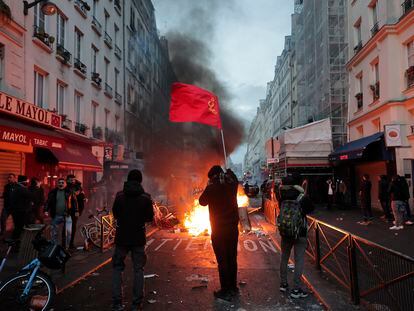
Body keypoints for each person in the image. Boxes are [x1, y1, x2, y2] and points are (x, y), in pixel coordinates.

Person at [111, 169, 154, 311]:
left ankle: (117, 303)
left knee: (117, 269)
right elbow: (149, 218)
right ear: (140, 181)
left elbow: (115, 214)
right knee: (138, 270)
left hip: (122, 238)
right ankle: (136, 304)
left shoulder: (119, 196)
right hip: (138, 238)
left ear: (128, 180)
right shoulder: (146, 198)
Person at [199, 166, 239, 302]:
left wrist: (209, 185)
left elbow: (202, 202)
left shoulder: (211, 188)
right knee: (232, 258)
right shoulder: (231, 186)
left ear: (212, 177)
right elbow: (235, 179)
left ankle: (226, 290)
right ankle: (233, 287)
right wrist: (229, 172)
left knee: (222, 261)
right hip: (233, 229)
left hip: (218, 231)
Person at [276, 173, 314, 299]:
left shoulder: (281, 195)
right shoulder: (301, 196)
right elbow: (311, 209)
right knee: (299, 260)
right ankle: (296, 289)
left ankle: (283, 284)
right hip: (300, 232)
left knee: (284, 257)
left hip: (285, 231)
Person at [45, 178, 78, 248]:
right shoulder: (53, 192)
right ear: (57, 184)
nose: (61, 184)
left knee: (68, 232)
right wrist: (46, 210)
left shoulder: (70, 192)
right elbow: (48, 201)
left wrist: (76, 211)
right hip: (56, 215)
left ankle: (67, 246)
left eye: (62, 183)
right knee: (54, 232)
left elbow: (74, 202)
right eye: (59, 182)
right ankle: (54, 246)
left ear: (65, 184)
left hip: (67, 215)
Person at [10, 175, 32, 240]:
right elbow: (30, 196)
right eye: (27, 181)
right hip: (21, 212)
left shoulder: (15, 188)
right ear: (24, 182)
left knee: (17, 227)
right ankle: (16, 242)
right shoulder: (22, 189)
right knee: (19, 227)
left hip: (16, 211)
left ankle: (14, 242)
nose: (28, 182)